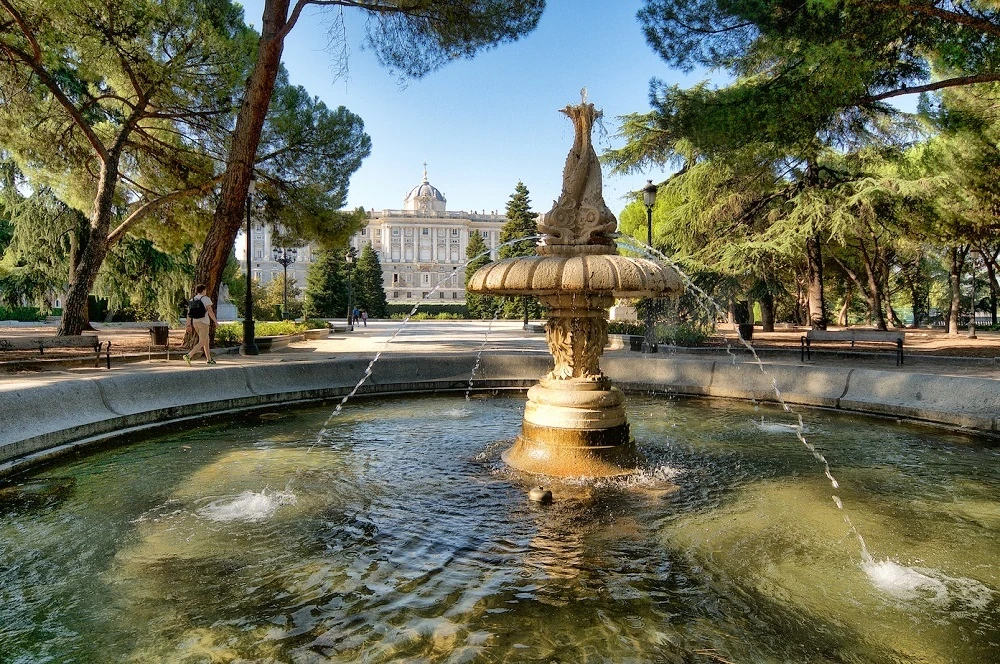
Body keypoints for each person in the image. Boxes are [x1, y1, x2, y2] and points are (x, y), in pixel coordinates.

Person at [183, 284, 218, 366]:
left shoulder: (192, 299)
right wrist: (215, 321)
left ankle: (209, 359)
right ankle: (189, 355)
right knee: (202, 342)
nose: (206, 291)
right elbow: (210, 311)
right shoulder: (206, 299)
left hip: (195, 322)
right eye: (205, 290)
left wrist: (188, 324)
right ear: (203, 291)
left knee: (206, 340)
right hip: (204, 322)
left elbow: (189, 314)